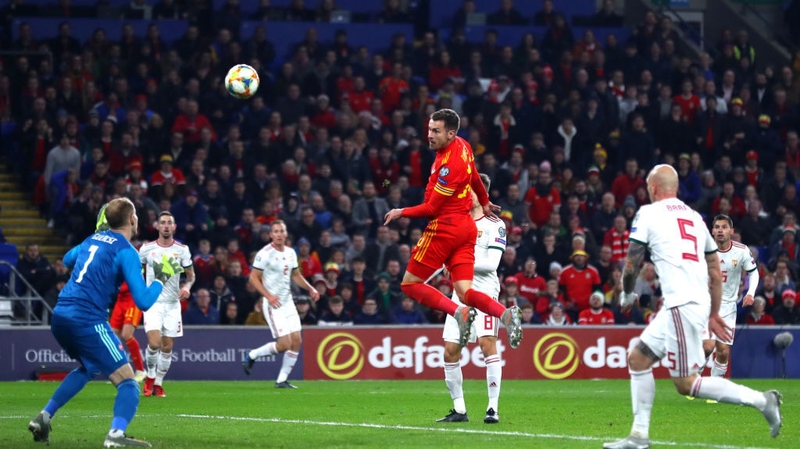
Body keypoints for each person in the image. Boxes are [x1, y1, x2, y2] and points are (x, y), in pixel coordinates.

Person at [604, 165, 782, 449]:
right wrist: (711, 311)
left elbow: (631, 262)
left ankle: (762, 401)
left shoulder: (648, 213)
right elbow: (713, 268)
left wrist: (626, 294)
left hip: (681, 304)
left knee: (686, 384)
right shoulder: (695, 218)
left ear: (653, 188)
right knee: (638, 358)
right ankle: (638, 436)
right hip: (690, 302)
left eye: (649, 186)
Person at [28, 198, 179, 448]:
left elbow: (67, 260)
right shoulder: (127, 251)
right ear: (132, 219)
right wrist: (161, 277)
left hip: (60, 314)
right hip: (87, 318)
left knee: (90, 367)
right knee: (128, 382)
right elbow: (142, 301)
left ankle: (44, 417)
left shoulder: (92, 239)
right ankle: (116, 436)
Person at [384, 109, 522, 349]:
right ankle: (505, 314)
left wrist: (401, 211)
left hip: (445, 229)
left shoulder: (449, 166)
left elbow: (431, 208)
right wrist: (484, 200)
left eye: (435, 131)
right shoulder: (464, 145)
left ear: (450, 133)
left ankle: (459, 313)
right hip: (466, 229)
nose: (429, 135)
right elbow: (476, 178)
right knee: (465, 291)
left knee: (409, 284)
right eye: (429, 129)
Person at [437, 173, 506, 425]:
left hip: (485, 293)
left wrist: (459, 262)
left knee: (487, 346)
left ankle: (492, 408)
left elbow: (492, 264)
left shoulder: (494, 224)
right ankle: (459, 410)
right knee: (450, 351)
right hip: (459, 294)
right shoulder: (460, 221)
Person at [242, 220, 321, 388]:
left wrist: (310, 288)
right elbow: (253, 278)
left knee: (297, 341)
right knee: (284, 344)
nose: (278, 234)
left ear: (286, 234)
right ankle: (252, 355)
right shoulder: (264, 254)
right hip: (273, 305)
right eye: (275, 231)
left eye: (281, 231)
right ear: (271, 235)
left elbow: (296, 275)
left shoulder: (291, 253)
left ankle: (281, 380)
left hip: (287, 302)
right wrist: (268, 296)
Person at [697, 215, 759, 394]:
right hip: (705, 306)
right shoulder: (703, 249)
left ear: (731, 231)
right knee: (708, 346)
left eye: (724, 227)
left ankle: (714, 389)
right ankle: (696, 374)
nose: (720, 230)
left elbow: (753, 273)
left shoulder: (741, 251)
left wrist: (750, 293)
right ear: (712, 231)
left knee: (723, 351)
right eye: (717, 227)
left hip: (728, 307)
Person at [139, 212, 195, 398]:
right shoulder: (146, 249)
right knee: (154, 343)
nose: (165, 226)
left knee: (167, 347)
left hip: (172, 304)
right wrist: (140, 290)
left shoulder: (182, 249)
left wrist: (187, 286)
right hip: (153, 303)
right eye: (162, 222)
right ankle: (150, 377)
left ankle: (159, 383)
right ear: (157, 226)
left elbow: (190, 275)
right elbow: (137, 271)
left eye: (169, 223)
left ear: (174, 227)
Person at [97, 205, 147, 383]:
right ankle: (117, 369)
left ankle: (141, 370)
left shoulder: (133, 255)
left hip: (132, 300)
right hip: (120, 301)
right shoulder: (116, 253)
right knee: (112, 336)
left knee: (127, 335)